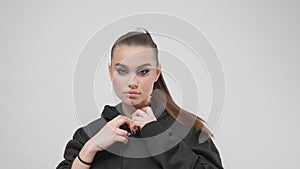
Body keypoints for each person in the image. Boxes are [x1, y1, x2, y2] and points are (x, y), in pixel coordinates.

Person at [56, 28, 224, 169]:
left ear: (157, 73)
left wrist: (158, 135)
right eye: (122, 71)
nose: (132, 83)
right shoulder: (89, 135)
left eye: (143, 72)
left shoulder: (187, 130)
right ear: (110, 71)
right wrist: (91, 148)